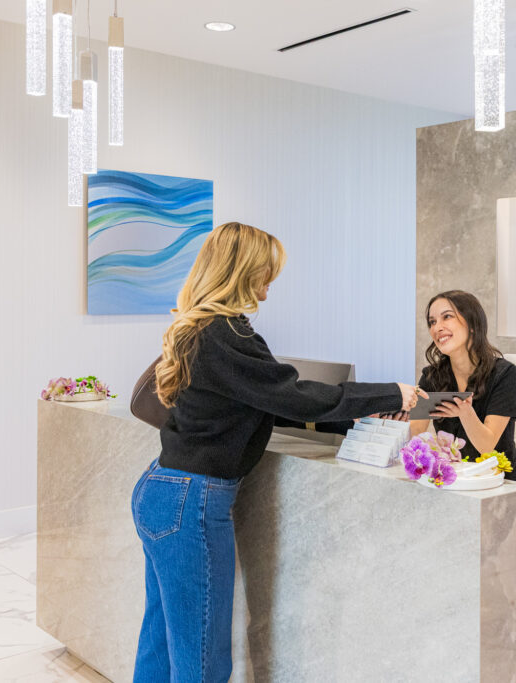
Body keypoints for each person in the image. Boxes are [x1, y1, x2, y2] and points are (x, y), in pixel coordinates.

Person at [130, 222, 422, 682]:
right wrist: (391, 393)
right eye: (264, 275)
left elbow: (262, 403)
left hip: (163, 491)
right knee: (201, 662)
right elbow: (292, 396)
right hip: (191, 503)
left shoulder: (198, 329)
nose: (267, 290)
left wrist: (357, 417)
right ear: (241, 272)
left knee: (161, 647)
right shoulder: (226, 333)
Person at [410, 290, 516, 495]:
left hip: (506, 484)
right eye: (432, 322)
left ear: (472, 323)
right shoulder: (432, 376)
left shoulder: (504, 374)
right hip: (457, 482)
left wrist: (465, 413)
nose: (437, 328)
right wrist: (387, 419)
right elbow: (415, 434)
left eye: (447, 317)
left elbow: (487, 446)